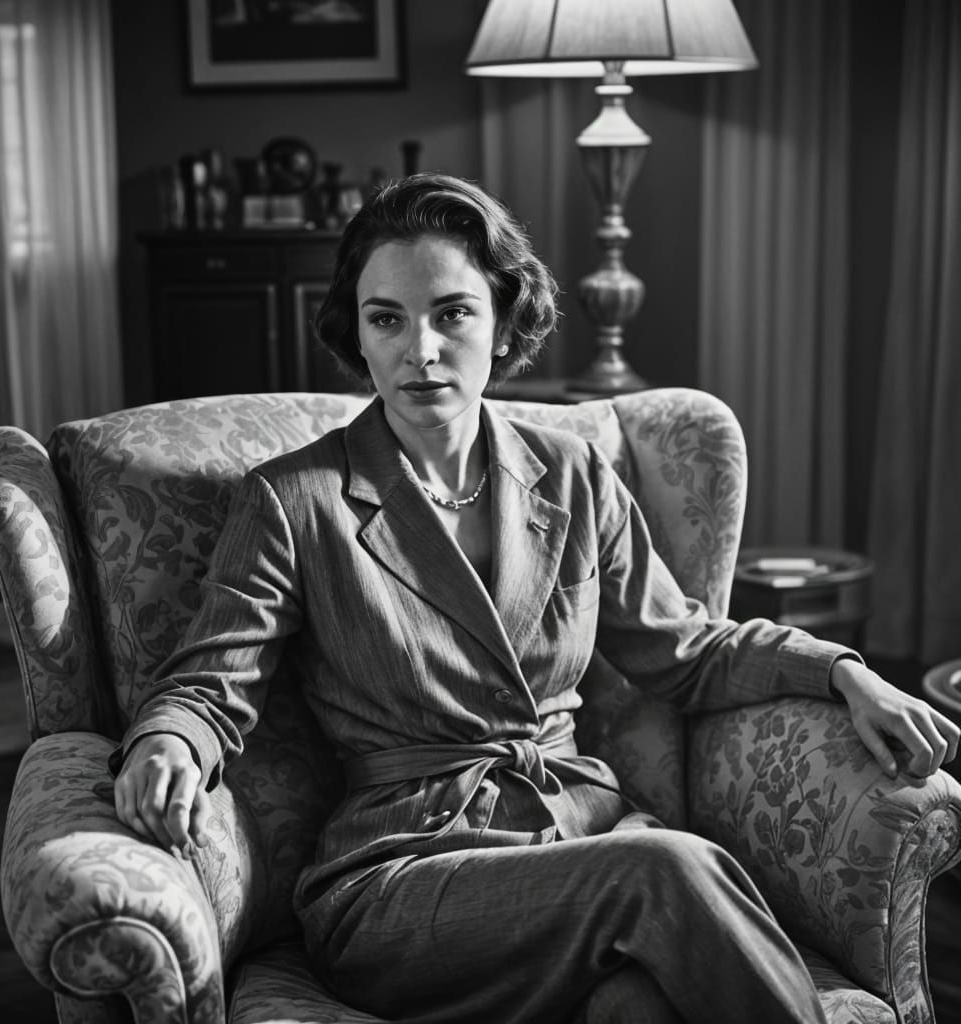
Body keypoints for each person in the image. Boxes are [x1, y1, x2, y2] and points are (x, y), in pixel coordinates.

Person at [112, 172, 959, 1024]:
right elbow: (208, 684)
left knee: (640, 1008)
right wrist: (167, 743)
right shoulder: (295, 499)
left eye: (452, 313)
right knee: (668, 867)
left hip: (580, 832)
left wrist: (845, 674)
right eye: (387, 319)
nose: (421, 350)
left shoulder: (576, 474)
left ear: (501, 319)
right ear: (357, 334)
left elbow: (688, 649)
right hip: (403, 875)